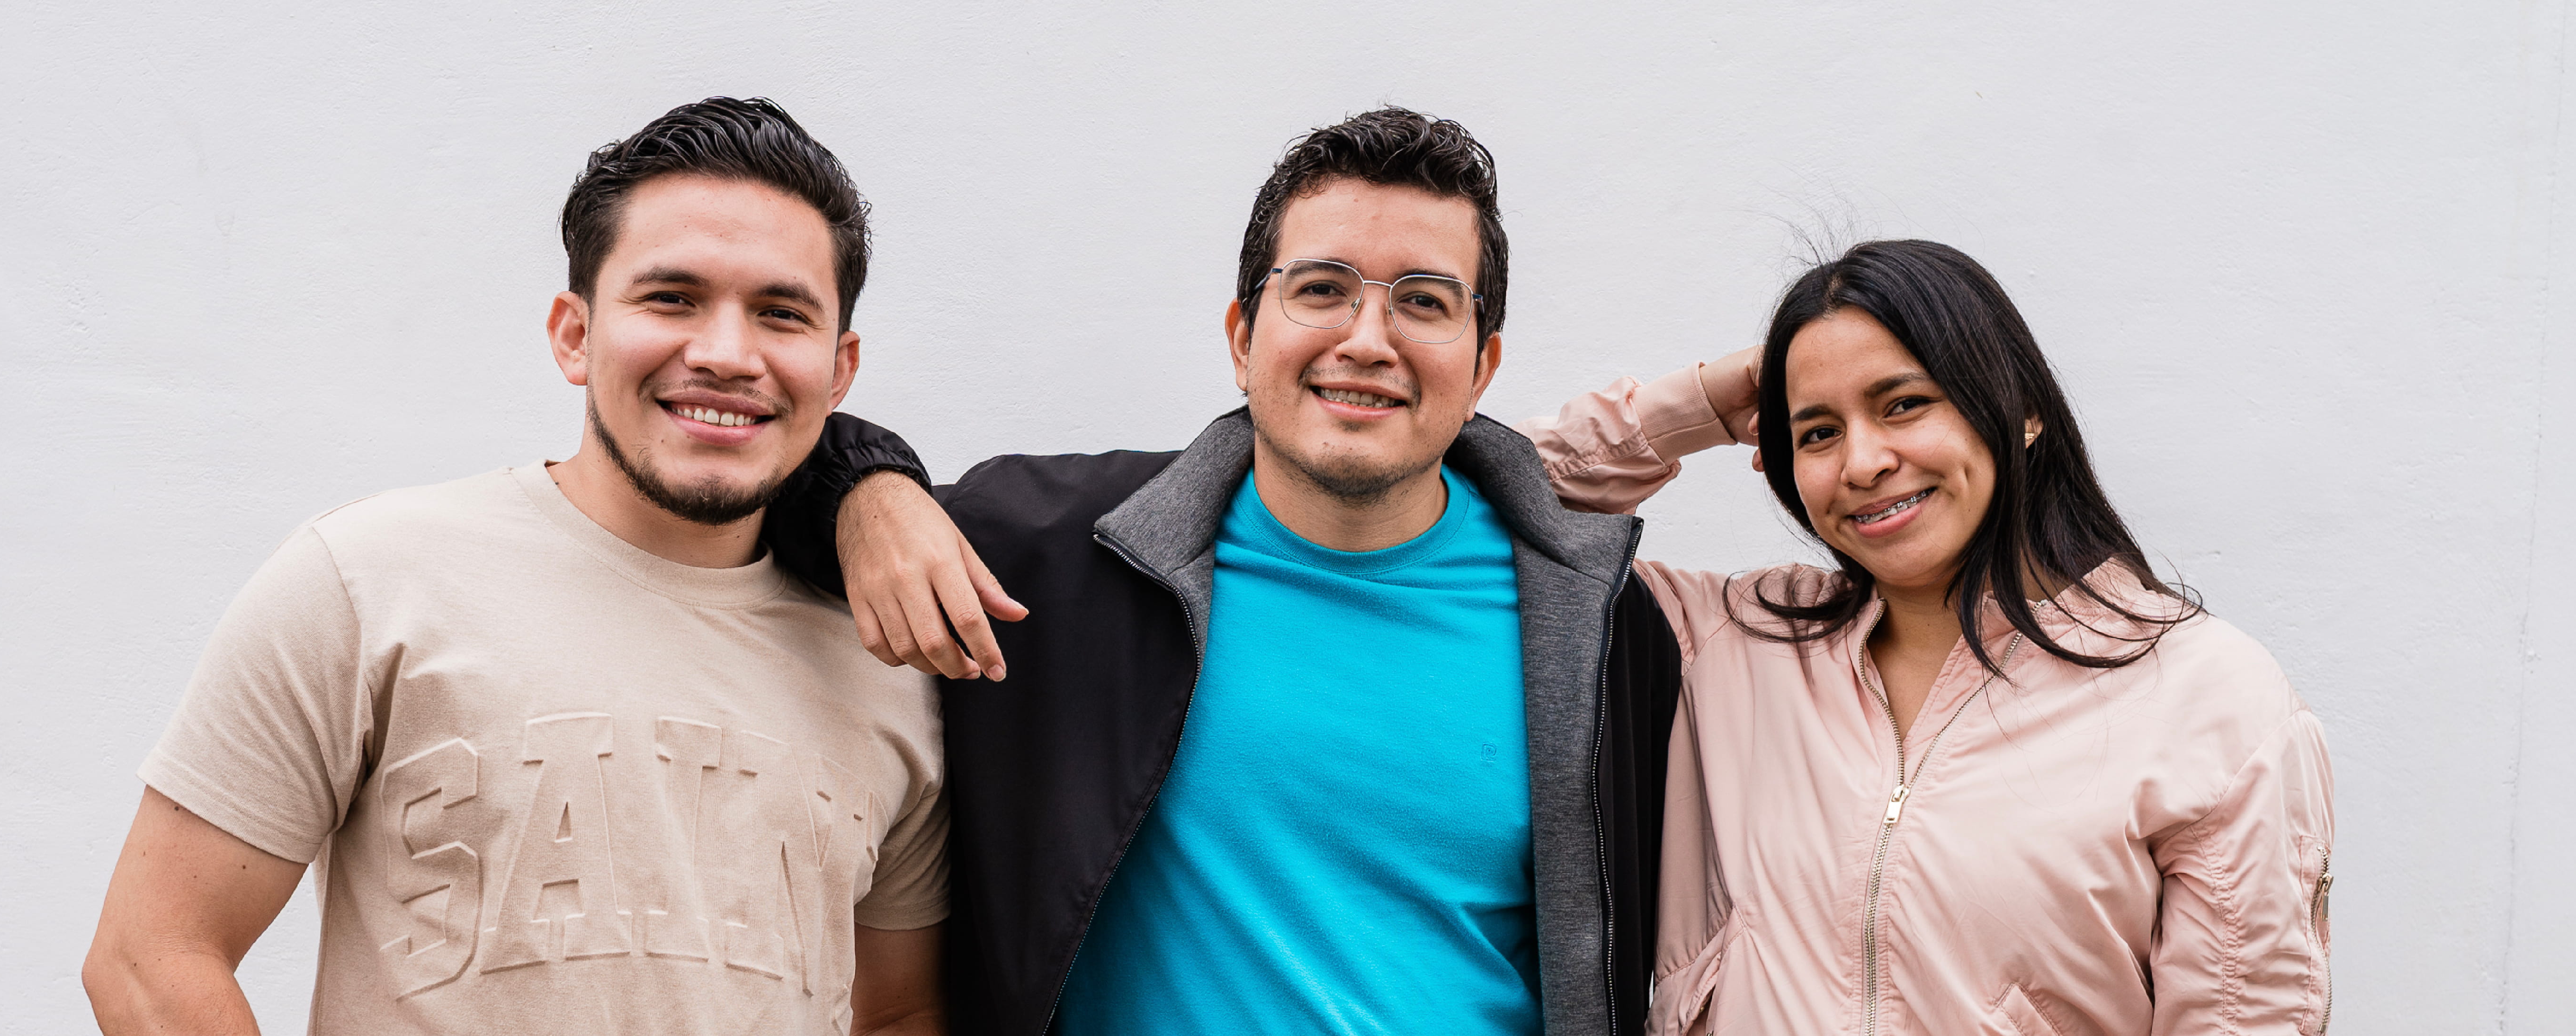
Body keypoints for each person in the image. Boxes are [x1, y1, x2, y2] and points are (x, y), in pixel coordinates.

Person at [762, 108, 1685, 1036]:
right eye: (1322, 288)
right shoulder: (1060, 555)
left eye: (1424, 299)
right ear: (1243, 336)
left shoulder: (1599, 626)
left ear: (1480, 366)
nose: (1367, 337)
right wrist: (868, 492)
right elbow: (759, 472)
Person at [81, 98, 950, 1036]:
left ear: (840, 366)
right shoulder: (369, 581)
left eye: (780, 313)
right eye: (671, 299)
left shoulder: (887, 664)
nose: (725, 354)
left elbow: (898, 1007)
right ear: (574, 334)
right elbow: (149, 957)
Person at [1523, 239, 2336, 1033]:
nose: (1863, 462)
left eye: (1903, 404)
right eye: (1817, 432)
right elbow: (1459, 497)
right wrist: (1694, 407)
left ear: (2021, 411)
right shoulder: (1728, 641)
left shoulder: (2208, 698)